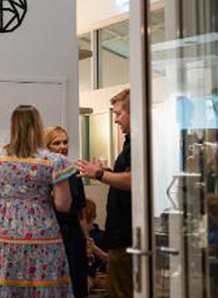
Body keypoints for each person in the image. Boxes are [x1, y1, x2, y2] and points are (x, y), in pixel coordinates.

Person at [0, 105, 74, 298]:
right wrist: (40, 196)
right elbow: (64, 204)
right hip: (42, 232)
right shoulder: (54, 160)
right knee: (42, 279)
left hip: (3, 231)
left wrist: (4, 193)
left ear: (13, 127)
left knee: (3, 278)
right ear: (38, 126)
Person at [77, 89, 133, 298]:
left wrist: (100, 174)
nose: (116, 120)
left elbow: (134, 180)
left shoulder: (138, 143)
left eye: (119, 114)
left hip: (127, 237)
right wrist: (109, 173)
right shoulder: (129, 142)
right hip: (120, 236)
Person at [45, 125, 89, 298]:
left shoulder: (73, 172)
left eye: (65, 142)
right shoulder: (42, 171)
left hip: (74, 234)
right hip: (52, 232)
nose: (63, 146)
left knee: (77, 280)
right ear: (46, 146)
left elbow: (81, 211)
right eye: (57, 143)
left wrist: (87, 241)